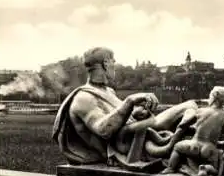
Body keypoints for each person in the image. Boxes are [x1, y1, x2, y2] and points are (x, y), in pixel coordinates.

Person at [52, 47, 197, 168]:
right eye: (113, 62)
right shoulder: (83, 98)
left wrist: (137, 111)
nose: (115, 65)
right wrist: (129, 102)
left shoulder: (109, 91)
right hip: (127, 142)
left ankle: (197, 142)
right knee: (189, 107)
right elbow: (104, 130)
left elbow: (122, 116)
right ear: (105, 63)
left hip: (138, 130)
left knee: (191, 106)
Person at [161, 86, 224, 176]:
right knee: (215, 169)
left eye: (210, 96)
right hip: (208, 149)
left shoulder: (200, 110)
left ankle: (170, 168)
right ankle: (205, 169)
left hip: (193, 145)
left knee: (177, 147)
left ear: (214, 98)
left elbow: (183, 125)